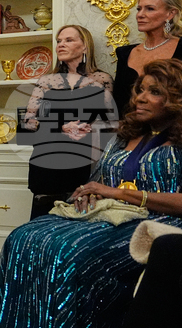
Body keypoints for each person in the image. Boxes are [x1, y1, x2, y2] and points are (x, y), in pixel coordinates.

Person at [0, 59, 182, 328]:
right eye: (140, 89)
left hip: (158, 226)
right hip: (111, 217)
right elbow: (104, 181)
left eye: (155, 92)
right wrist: (90, 190)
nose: (141, 98)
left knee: (72, 255)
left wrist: (122, 193)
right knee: (25, 238)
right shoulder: (128, 133)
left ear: (180, 98)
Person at [20, 25, 115, 219]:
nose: (61, 45)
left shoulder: (102, 79)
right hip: (46, 166)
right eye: (59, 41)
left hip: (85, 166)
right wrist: (61, 127)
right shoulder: (46, 81)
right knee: (41, 230)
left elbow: (110, 126)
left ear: (85, 47)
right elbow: (26, 125)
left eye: (69, 40)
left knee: (77, 231)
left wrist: (91, 129)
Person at [114, 0, 182, 116]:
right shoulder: (124, 53)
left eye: (150, 9)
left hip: (177, 130)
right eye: (139, 9)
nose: (140, 15)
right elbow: (119, 102)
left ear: (170, 14)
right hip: (130, 131)